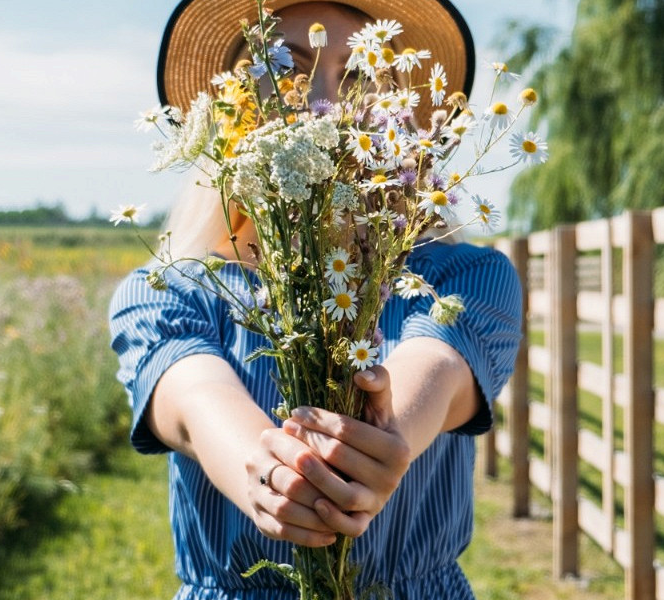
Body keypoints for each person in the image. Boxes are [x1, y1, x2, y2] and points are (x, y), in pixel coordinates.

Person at [110, 1, 522, 598]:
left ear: (400, 114)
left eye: (359, 76)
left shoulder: (462, 279)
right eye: (285, 71)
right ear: (234, 111)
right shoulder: (171, 292)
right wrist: (274, 475)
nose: (319, 102)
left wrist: (384, 441)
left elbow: (435, 363)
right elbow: (196, 399)